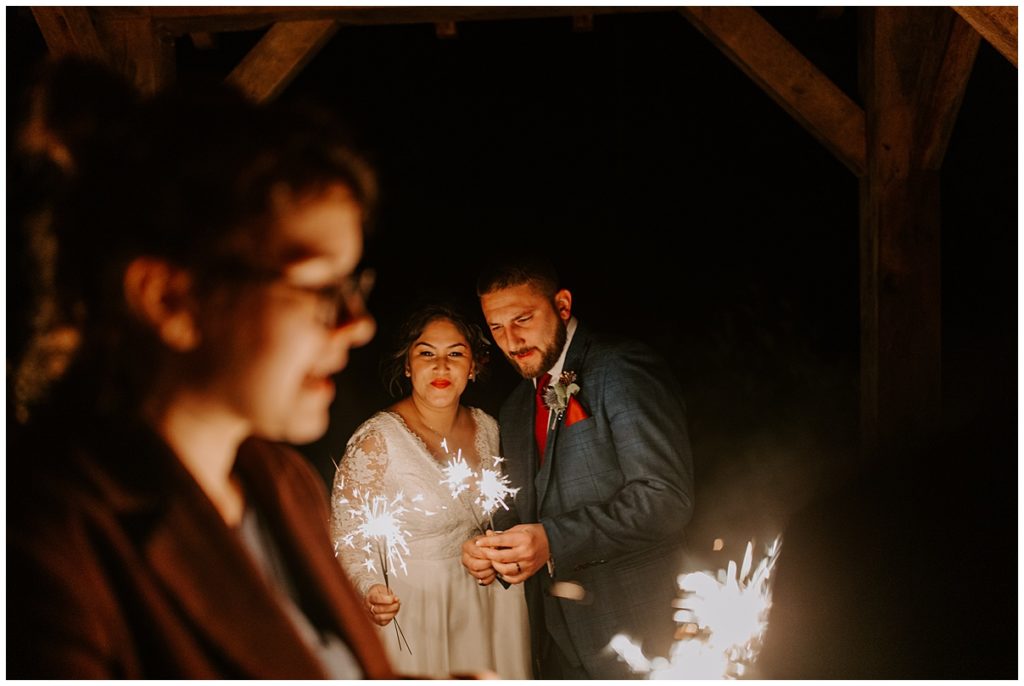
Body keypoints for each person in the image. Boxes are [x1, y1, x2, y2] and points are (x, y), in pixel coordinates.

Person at [7, 58, 395, 678]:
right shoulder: (44, 543)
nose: (360, 324)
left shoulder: (281, 483)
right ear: (170, 300)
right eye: (322, 290)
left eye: (354, 285)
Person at [460, 254, 696, 679]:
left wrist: (553, 539)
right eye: (496, 327)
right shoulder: (515, 408)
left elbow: (665, 499)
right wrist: (493, 552)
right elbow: (520, 513)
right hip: (554, 644)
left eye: (523, 319)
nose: (511, 340)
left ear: (563, 305)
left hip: (637, 634)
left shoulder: (620, 368)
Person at [331, 301, 532, 679]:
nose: (441, 367)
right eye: (427, 354)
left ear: (473, 367)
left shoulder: (489, 428)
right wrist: (369, 589)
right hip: (417, 608)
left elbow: (507, 511)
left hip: (488, 603)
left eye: (456, 354)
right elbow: (346, 538)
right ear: (408, 365)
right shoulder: (376, 441)